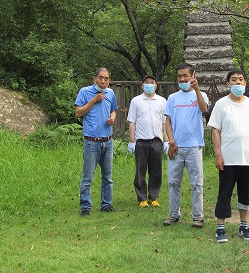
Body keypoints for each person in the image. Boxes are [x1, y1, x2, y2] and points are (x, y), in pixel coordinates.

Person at [207, 69, 249, 243]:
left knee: (245, 193)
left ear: (245, 83)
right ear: (228, 84)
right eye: (234, 80)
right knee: (224, 192)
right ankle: (220, 227)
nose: (238, 83)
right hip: (228, 159)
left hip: (247, 159)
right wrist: (218, 155)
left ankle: (244, 226)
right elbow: (215, 131)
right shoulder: (221, 104)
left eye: (241, 80)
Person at [163, 63, 209, 228]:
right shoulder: (173, 98)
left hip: (194, 146)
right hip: (176, 147)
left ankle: (198, 216)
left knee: (196, 183)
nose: (182, 79)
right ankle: (174, 214)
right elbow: (167, 121)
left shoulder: (200, 95)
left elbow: (204, 109)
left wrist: (197, 90)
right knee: (173, 182)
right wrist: (171, 141)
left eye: (185, 76)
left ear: (192, 76)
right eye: (179, 76)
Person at [75, 67, 118, 216]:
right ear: (94, 78)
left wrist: (112, 118)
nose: (103, 81)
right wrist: (94, 100)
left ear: (109, 80)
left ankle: (106, 204)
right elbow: (78, 112)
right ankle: (85, 207)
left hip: (108, 141)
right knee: (88, 177)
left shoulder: (110, 93)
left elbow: (114, 110)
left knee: (108, 177)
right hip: (92, 142)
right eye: (100, 78)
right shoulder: (85, 92)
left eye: (106, 78)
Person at [127, 75, 168, 208]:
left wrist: (166, 140)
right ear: (142, 85)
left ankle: (154, 197)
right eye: (147, 83)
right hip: (141, 141)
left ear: (156, 85)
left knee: (156, 171)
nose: (150, 85)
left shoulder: (162, 101)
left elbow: (164, 123)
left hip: (156, 141)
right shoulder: (136, 101)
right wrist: (132, 141)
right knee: (140, 171)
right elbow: (132, 121)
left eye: (152, 82)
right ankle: (142, 198)